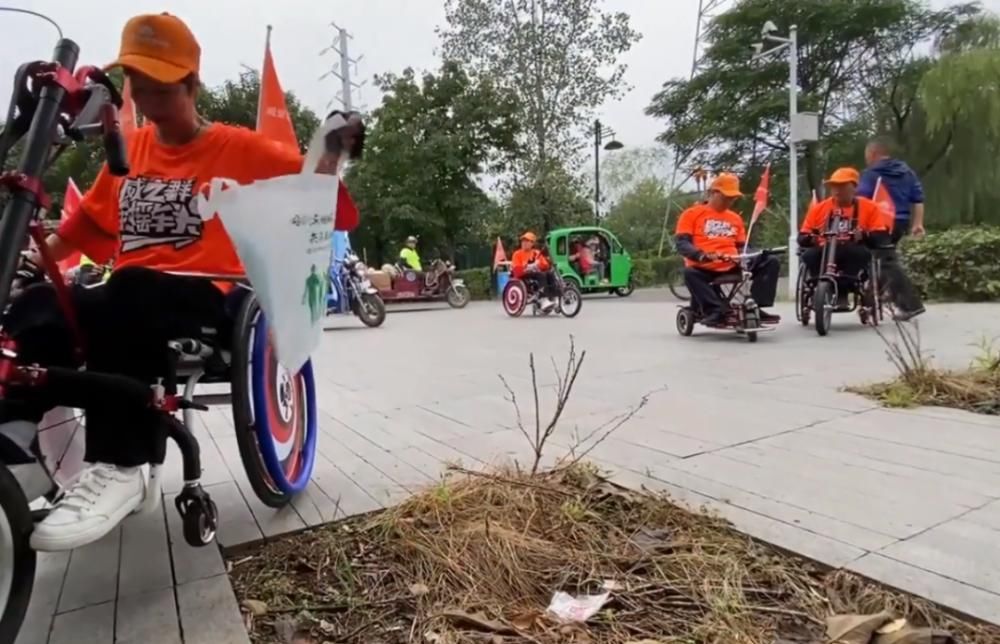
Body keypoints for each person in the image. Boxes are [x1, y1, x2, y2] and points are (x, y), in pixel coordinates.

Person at [2, 12, 365, 552]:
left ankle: (123, 464)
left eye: (160, 84)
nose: (146, 95)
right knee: (38, 304)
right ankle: (16, 441)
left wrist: (335, 152)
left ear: (192, 83)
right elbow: (83, 230)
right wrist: (23, 266)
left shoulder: (242, 150)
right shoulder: (130, 153)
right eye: (138, 83)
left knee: (130, 289)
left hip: (206, 293)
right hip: (132, 293)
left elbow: (317, 200)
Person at [799, 167, 924, 320]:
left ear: (854, 187)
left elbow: (880, 236)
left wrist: (864, 235)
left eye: (842, 186)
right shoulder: (819, 209)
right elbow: (803, 235)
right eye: (834, 186)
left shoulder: (870, 207)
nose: (837, 190)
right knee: (809, 255)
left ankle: (845, 288)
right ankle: (821, 286)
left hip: (853, 250)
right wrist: (809, 238)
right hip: (824, 250)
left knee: (857, 253)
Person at [674, 173, 780, 326]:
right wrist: (701, 255)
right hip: (704, 267)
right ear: (713, 193)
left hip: (732, 264)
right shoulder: (691, 214)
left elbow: (742, 246)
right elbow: (682, 243)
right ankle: (715, 310)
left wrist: (752, 255)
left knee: (770, 261)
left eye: (732, 198)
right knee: (690, 274)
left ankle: (755, 306)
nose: (729, 201)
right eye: (726, 197)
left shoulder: (735, 218)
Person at [858, 136, 925, 243]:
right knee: (895, 253)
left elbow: (860, 200)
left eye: (866, 155)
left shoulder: (870, 174)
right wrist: (918, 224)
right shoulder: (907, 172)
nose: (866, 159)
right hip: (902, 223)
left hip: (878, 224)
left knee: (871, 253)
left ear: (873, 153)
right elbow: (918, 200)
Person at [511, 232, 558, 311]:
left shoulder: (536, 253)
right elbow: (517, 268)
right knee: (541, 275)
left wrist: (538, 264)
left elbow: (545, 265)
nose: (524, 243)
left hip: (536, 272)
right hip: (524, 275)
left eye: (527, 241)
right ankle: (543, 301)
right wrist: (528, 266)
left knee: (550, 274)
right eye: (523, 241)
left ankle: (554, 298)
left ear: (532, 243)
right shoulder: (517, 254)